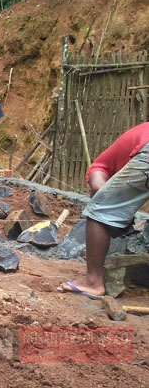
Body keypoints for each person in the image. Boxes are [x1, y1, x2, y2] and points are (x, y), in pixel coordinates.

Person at [59, 122, 149, 299]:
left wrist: (111, 215)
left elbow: (100, 189)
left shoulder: (102, 164)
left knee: (99, 211)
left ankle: (92, 282)